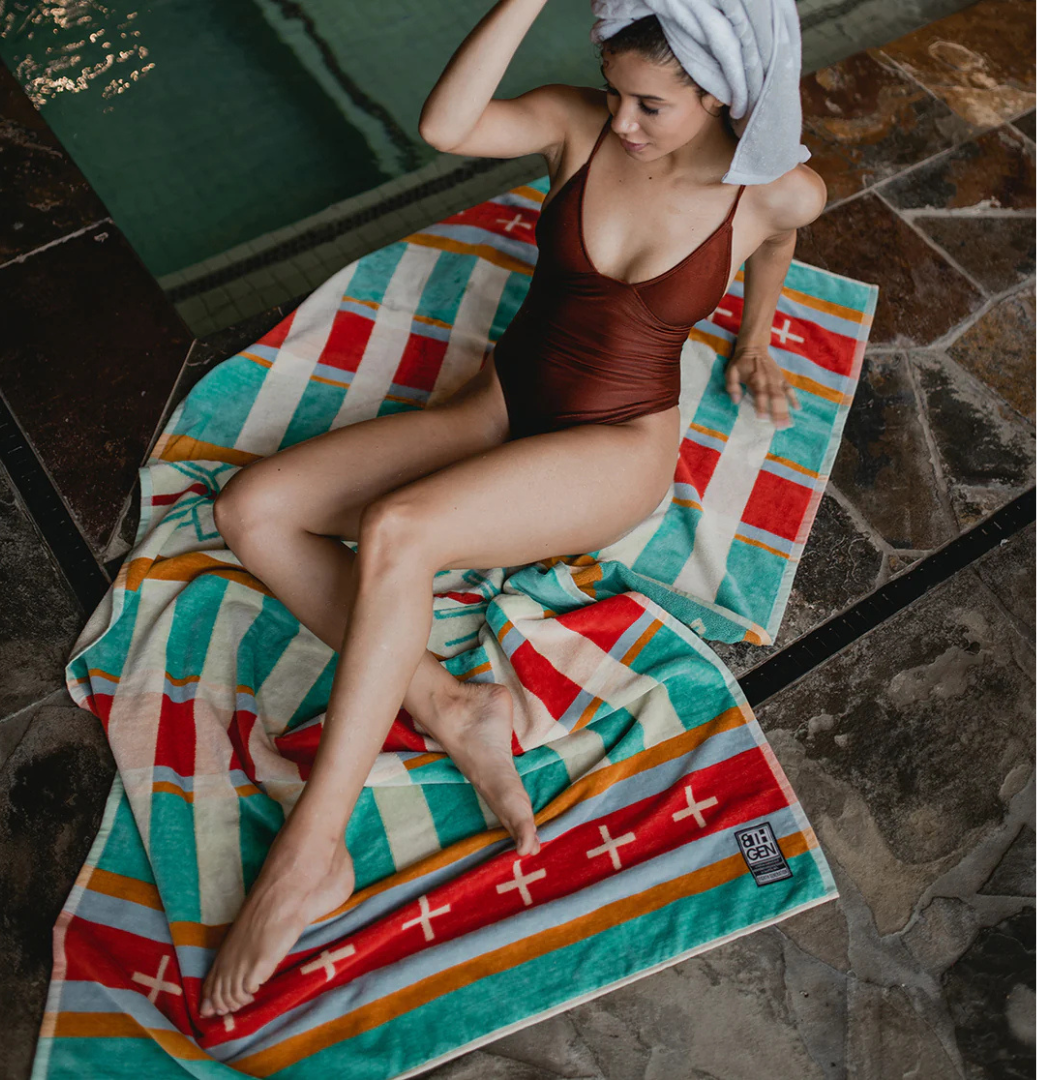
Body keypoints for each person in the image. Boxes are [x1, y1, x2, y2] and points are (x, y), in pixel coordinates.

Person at [199, 0, 826, 1019]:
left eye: (651, 106)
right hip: (494, 404)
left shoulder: (770, 187)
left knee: (403, 528)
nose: (623, 121)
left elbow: (780, 238)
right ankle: (452, 704)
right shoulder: (578, 125)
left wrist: (754, 340)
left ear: (718, 94)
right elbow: (447, 128)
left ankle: (312, 854)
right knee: (253, 511)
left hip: (611, 449)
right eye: (618, 91)